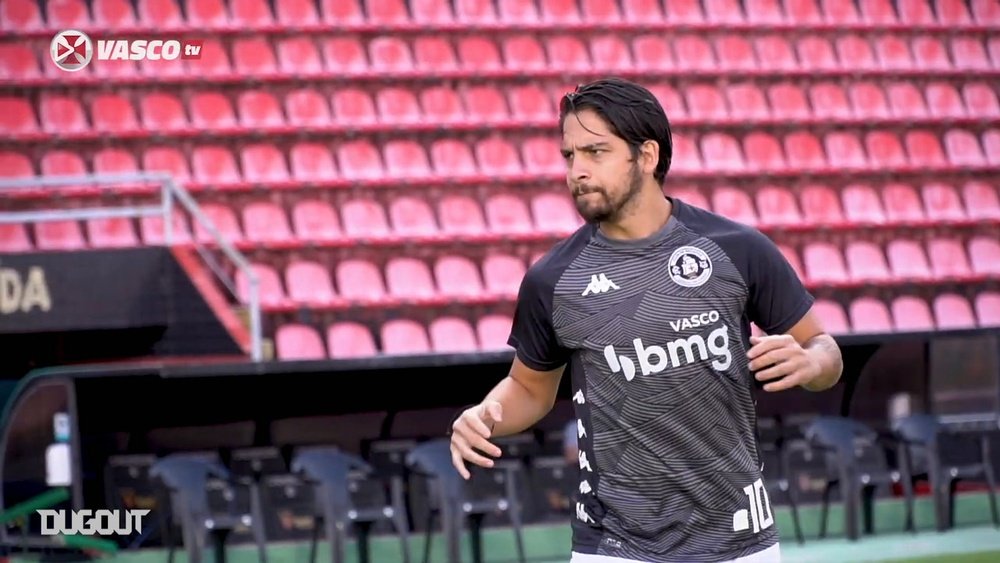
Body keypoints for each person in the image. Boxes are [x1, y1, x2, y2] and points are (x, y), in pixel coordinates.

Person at [448, 78, 843, 563]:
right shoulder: (553, 279)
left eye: (596, 152)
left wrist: (810, 361)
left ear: (647, 155)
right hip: (614, 545)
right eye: (570, 156)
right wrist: (484, 415)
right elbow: (529, 389)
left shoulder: (737, 249)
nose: (578, 171)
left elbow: (826, 351)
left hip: (740, 538)